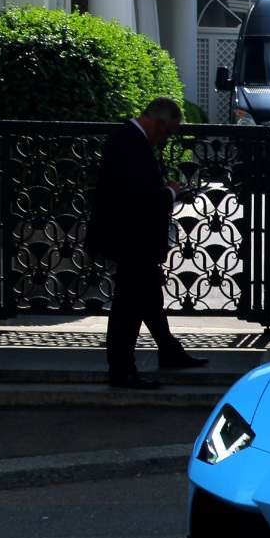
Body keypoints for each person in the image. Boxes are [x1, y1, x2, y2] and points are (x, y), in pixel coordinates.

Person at [85, 97, 209, 389]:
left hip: (132, 237)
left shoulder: (128, 140)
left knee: (150, 296)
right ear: (160, 123)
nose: (166, 140)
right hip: (131, 238)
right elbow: (143, 197)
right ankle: (121, 369)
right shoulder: (129, 144)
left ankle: (168, 350)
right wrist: (171, 191)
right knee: (128, 304)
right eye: (169, 133)